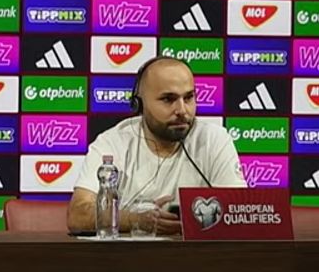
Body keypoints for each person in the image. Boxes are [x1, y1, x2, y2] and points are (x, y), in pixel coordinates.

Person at [67, 56, 246, 235]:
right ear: (140, 104)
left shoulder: (213, 139)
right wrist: (136, 220)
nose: (182, 110)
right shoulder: (113, 143)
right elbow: (78, 215)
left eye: (188, 97)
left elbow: (238, 212)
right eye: (168, 99)